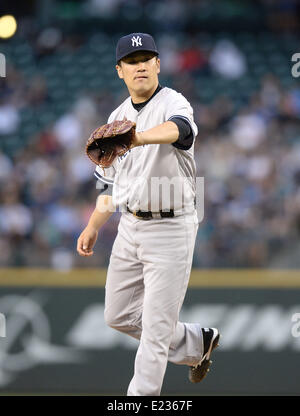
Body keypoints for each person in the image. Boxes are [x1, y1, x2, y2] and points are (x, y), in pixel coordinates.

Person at [77, 32, 220, 396]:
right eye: (131, 61)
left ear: (157, 64)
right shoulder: (117, 116)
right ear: (119, 71)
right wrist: (93, 226)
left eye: (146, 58)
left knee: (155, 333)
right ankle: (194, 343)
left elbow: (181, 131)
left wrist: (136, 138)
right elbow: (109, 184)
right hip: (130, 224)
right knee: (117, 315)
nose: (139, 65)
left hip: (172, 224)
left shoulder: (174, 101)